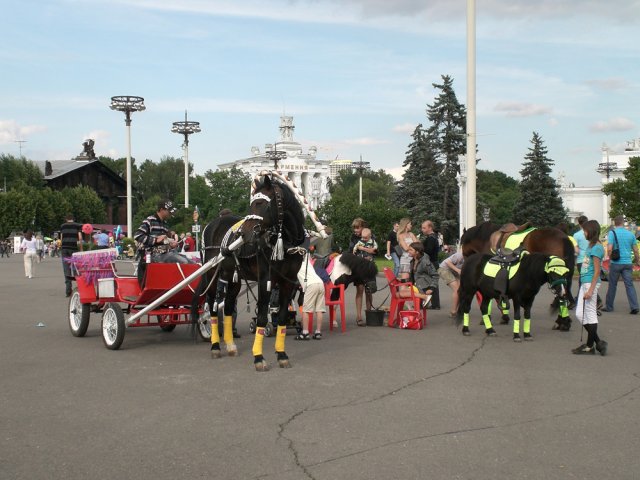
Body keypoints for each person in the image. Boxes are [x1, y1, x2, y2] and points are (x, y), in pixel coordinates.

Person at [134, 200, 192, 286]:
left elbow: (163, 242)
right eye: (169, 211)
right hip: (152, 255)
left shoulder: (164, 224)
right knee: (184, 262)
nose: (170, 214)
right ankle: (179, 287)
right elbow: (137, 236)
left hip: (165, 253)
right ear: (161, 210)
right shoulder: (150, 221)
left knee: (191, 263)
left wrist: (171, 244)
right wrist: (155, 240)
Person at [573, 220, 608, 355]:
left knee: (590, 314)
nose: (584, 233)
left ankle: (590, 346)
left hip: (590, 283)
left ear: (591, 231)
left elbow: (597, 271)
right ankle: (597, 342)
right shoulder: (591, 245)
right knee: (580, 314)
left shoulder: (597, 247)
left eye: (585, 231)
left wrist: (591, 290)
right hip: (585, 281)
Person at [603, 215, 639, 314]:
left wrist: (609, 259)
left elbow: (609, 248)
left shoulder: (612, 233)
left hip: (615, 263)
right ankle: (634, 306)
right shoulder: (630, 234)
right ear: (623, 223)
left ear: (615, 223)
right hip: (627, 263)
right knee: (629, 285)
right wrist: (637, 261)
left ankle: (609, 307)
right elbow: (636, 250)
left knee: (612, 285)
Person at [295, 251, 328, 340]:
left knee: (306, 310)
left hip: (311, 285)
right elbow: (307, 254)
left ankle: (305, 333)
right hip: (320, 283)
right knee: (319, 310)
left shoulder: (295, 264)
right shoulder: (307, 262)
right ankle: (318, 332)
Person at [348, 218, 374, 327]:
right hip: (358, 267)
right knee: (360, 290)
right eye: (354, 228)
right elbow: (351, 251)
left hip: (369, 266)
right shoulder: (353, 238)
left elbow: (375, 250)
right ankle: (359, 317)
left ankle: (369, 313)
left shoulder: (371, 236)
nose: (355, 230)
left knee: (369, 290)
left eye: (357, 228)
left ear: (363, 227)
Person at [407, 242, 438, 308]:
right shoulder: (412, 261)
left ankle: (424, 297)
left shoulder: (425, 262)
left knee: (403, 293)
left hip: (424, 288)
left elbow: (435, 275)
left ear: (417, 252)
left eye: (411, 250)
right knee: (403, 292)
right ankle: (412, 313)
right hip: (417, 286)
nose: (408, 251)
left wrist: (431, 288)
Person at [60, 214, 83, 296]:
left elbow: (61, 237)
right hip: (73, 249)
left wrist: (61, 246)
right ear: (73, 219)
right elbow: (80, 237)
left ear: (66, 219)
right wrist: (81, 248)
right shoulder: (77, 226)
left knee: (66, 269)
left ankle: (68, 290)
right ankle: (80, 288)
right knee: (75, 269)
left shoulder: (63, 226)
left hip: (65, 249)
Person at [421, 220, 441, 309]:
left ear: (430, 228)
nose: (422, 230)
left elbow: (428, 251)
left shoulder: (431, 238)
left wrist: (420, 249)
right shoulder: (433, 237)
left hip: (431, 263)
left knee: (430, 283)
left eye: (424, 228)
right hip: (433, 262)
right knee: (432, 283)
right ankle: (435, 304)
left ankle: (433, 304)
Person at [438, 250, 464, 318]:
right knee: (457, 289)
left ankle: (457, 310)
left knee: (461, 290)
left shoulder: (472, 257)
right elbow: (447, 262)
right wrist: (457, 270)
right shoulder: (460, 255)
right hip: (444, 269)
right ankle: (453, 311)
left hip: (454, 271)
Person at [572, 216, 589, 294]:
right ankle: (580, 297)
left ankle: (580, 297)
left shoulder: (576, 235)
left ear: (579, 223)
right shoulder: (591, 233)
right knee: (587, 279)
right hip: (590, 258)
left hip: (581, 259)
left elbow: (576, 250)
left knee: (582, 279)